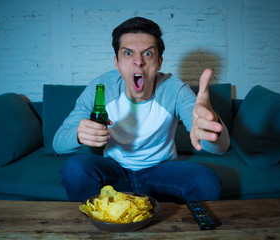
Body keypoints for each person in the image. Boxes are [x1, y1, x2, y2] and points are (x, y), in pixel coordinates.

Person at [53, 17, 230, 203]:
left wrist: (211, 125)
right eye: (128, 53)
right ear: (117, 63)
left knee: (206, 180)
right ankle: (96, 227)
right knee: (75, 168)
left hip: (160, 172)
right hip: (114, 171)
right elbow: (58, 143)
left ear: (159, 62)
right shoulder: (101, 88)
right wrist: (79, 135)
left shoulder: (175, 90)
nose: (138, 61)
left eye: (147, 54)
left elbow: (221, 148)